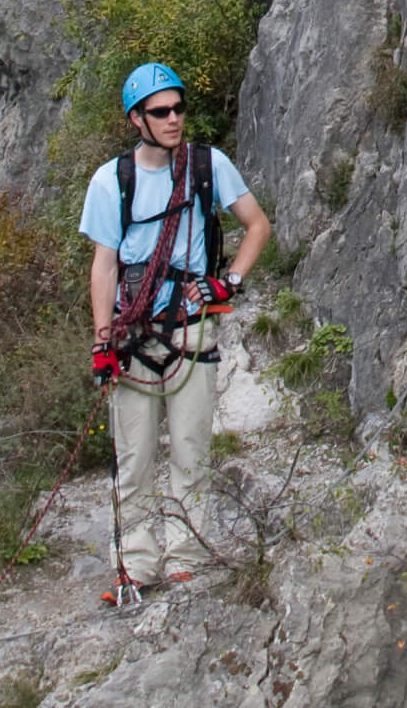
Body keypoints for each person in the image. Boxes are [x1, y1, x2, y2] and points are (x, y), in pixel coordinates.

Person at [80, 62, 271, 601]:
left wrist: (227, 282)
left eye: (178, 109)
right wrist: (102, 340)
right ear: (136, 118)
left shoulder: (209, 167)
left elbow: (256, 225)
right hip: (132, 334)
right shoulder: (112, 181)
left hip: (191, 332)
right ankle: (136, 565)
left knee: (191, 449)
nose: (174, 120)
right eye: (161, 112)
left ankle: (186, 557)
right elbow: (105, 264)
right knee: (134, 457)